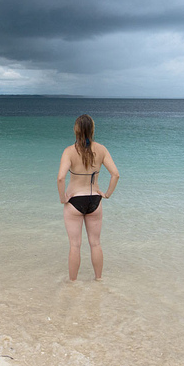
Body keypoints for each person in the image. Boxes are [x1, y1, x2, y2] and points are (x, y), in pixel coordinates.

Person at [57, 114, 120, 281]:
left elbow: (61, 178)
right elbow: (115, 175)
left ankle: (72, 283)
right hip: (95, 200)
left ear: (76, 130)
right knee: (96, 244)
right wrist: (106, 194)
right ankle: (99, 280)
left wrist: (63, 198)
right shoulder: (101, 149)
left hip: (74, 202)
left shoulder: (69, 151)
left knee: (75, 246)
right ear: (92, 129)